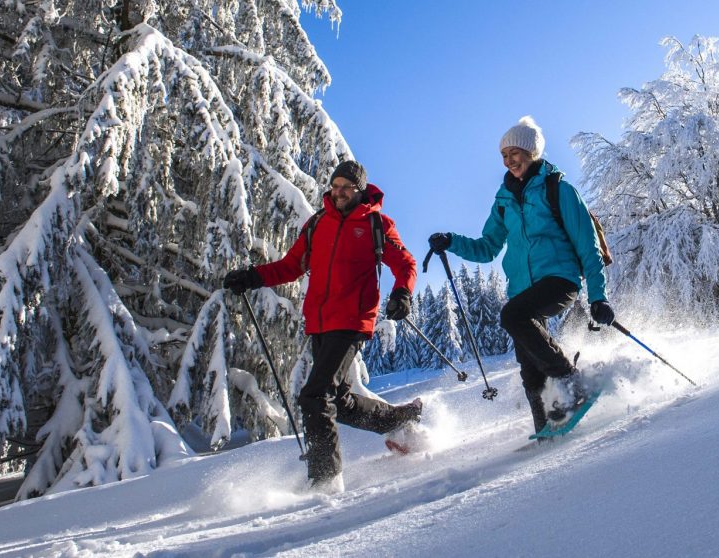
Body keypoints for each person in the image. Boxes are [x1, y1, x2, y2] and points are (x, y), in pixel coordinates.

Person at [223, 160, 421, 491]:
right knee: (339, 403)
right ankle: (401, 422)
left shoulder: (376, 224)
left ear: (359, 191)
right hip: (319, 322)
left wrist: (402, 292)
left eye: (347, 187)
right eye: (336, 186)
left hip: (353, 319)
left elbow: (405, 263)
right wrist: (253, 276)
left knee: (315, 395)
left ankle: (325, 477)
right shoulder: (318, 224)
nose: (340, 192)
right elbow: (290, 266)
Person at [430, 116, 615, 435]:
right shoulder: (503, 201)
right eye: (504, 155)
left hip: (559, 279)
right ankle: (547, 426)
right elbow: (487, 248)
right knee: (529, 366)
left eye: (515, 152)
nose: (509, 160)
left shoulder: (558, 189)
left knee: (513, 315)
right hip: (523, 290)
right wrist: (451, 241)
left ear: (533, 153)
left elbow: (588, 245)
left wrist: (597, 296)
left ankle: (572, 383)